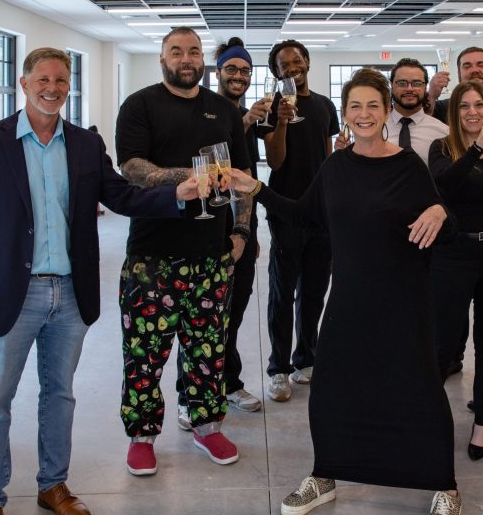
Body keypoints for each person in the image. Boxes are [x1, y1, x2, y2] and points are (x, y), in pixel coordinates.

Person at [0, 47, 198, 515]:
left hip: (70, 293)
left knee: (59, 395)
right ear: (23, 84)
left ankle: (52, 485)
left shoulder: (83, 144)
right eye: (43, 79)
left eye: (61, 80)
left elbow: (119, 195)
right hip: (9, 292)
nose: (52, 89)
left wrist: (173, 195)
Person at [228, 68, 461, 515]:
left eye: (374, 104)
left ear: (387, 110)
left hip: (404, 300)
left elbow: (446, 227)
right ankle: (324, 475)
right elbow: (302, 216)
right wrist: (255, 188)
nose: (365, 113)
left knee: (420, 390)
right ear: (346, 114)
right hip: (350, 298)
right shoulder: (336, 166)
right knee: (332, 390)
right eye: (356, 105)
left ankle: (443, 484)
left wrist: (439, 211)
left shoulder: (407, 165)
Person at [115, 27, 251, 476]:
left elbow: (243, 176)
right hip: (152, 256)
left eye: (194, 51)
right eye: (177, 50)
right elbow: (133, 168)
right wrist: (188, 180)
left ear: (203, 61)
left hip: (212, 255)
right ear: (162, 57)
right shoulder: (140, 105)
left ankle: (207, 425)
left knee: (208, 350)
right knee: (145, 353)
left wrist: (242, 232)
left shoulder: (223, 110)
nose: (186, 58)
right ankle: (142, 435)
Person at [428, 81, 483, 461]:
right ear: (454, 112)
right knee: (444, 344)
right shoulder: (442, 149)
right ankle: (429, 419)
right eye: (464, 106)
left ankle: (482, 424)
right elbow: (445, 187)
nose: (472, 112)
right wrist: (478, 145)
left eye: (479, 105)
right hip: (453, 255)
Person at [259, 39, 339, 402]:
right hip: (285, 210)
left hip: (320, 214)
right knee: (282, 293)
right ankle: (278, 369)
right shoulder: (270, 109)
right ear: (276, 73)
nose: (292, 68)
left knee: (314, 291)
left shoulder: (325, 105)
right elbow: (274, 162)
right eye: (284, 65)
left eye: (297, 61)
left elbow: (326, 158)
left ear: (307, 62)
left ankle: (306, 357)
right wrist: (283, 123)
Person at [213, 37, 270, 413]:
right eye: (232, 68)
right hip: (205, 228)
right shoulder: (206, 113)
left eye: (245, 70)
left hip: (240, 232)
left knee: (234, 313)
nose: (239, 75)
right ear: (217, 72)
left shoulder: (245, 120)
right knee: (205, 317)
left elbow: (247, 179)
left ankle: (229, 383)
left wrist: (247, 232)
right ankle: (193, 393)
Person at [385, 58, 448, 164]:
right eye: (402, 83)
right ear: (392, 85)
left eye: (417, 83)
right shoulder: (376, 130)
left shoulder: (443, 133)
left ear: (425, 87)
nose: (410, 89)